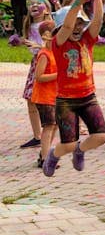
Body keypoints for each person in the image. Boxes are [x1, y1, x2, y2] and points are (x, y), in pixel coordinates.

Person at [43, 0, 105, 176]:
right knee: (68, 144)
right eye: (74, 24)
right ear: (61, 28)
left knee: (101, 136)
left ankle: (80, 150)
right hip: (66, 101)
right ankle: (53, 155)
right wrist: (78, 2)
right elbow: (68, 24)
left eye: (81, 23)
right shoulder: (59, 43)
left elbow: (98, 20)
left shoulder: (88, 39)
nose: (77, 27)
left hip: (88, 97)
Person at [19, 0, 51, 150]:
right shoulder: (29, 25)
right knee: (30, 99)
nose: (35, 5)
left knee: (45, 99)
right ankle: (37, 136)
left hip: (46, 64)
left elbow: (51, 45)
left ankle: (48, 132)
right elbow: (32, 46)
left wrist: (37, 46)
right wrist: (20, 42)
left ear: (47, 8)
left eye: (39, 3)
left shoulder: (50, 24)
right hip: (35, 63)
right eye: (32, 3)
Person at [28, 19, 58, 169]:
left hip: (54, 96)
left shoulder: (55, 52)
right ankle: (46, 159)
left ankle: (43, 153)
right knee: (48, 126)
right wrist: (58, 75)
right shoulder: (44, 54)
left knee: (55, 125)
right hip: (43, 97)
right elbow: (38, 77)